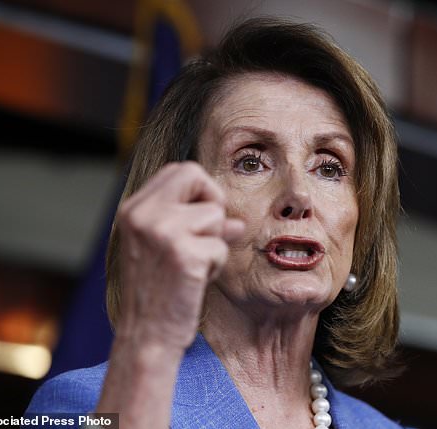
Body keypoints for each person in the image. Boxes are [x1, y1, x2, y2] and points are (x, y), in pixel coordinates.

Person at [25, 17, 407, 429]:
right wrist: (148, 346)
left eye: (330, 168)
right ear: (183, 203)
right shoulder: (83, 406)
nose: (298, 196)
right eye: (251, 161)